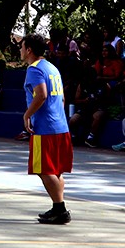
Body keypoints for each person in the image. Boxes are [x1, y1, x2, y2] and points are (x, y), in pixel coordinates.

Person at [20, 34, 73, 224]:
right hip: (60, 124)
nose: (20, 50)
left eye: (22, 47)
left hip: (45, 127)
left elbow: (41, 95)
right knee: (56, 170)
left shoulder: (34, 69)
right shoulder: (52, 68)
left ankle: (61, 209)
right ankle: (58, 206)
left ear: (29, 50)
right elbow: (62, 98)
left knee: (43, 168)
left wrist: (27, 115)